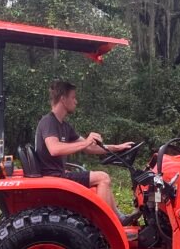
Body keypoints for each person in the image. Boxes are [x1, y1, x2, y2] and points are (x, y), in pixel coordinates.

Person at [36, 80, 137, 225]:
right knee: (103, 178)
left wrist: (117, 147)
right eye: (73, 97)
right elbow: (54, 149)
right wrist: (87, 142)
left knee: (102, 179)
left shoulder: (64, 126)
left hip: (59, 174)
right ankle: (104, 226)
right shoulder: (48, 122)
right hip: (54, 176)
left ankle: (118, 217)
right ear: (63, 99)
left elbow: (89, 147)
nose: (76, 102)